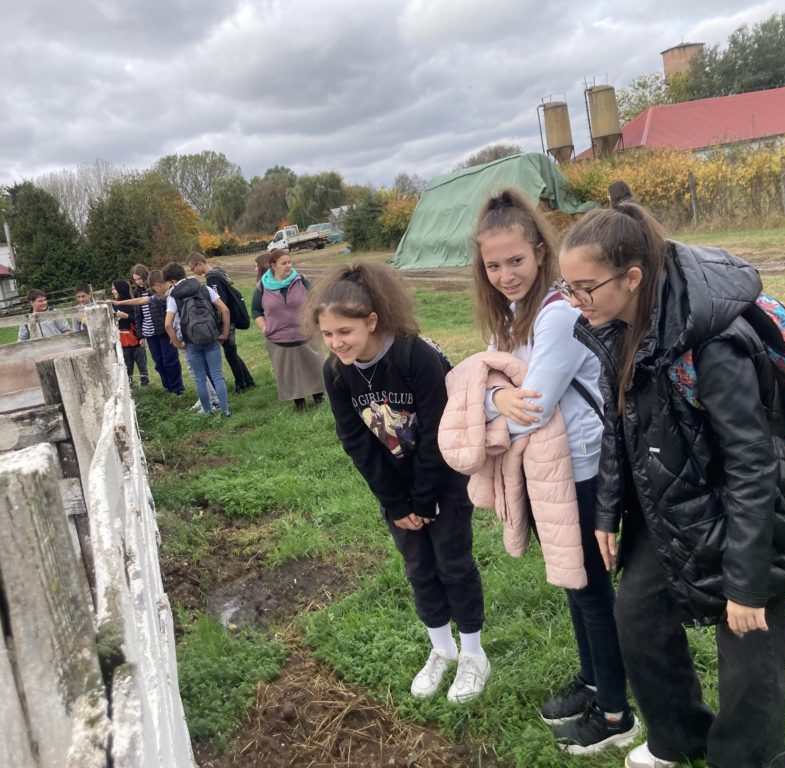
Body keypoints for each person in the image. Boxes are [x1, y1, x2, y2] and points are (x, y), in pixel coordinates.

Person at [557, 202, 785, 768]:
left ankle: (748, 758)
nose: (574, 301)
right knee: (636, 620)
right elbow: (620, 423)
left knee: (749, 651)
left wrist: (747, 582)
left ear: (631, 278)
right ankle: (678, 738)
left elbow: (752, 466)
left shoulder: (716, 342)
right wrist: (608, 510)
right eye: (568, 286)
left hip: (750, 516)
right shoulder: (619, 326)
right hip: (674, 505)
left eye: (585, 287)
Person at [467, 188, 637, 754]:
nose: (505, 274)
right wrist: (494, 401)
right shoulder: (514, 315)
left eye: (515, 260)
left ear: (540, 251)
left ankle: (616, 715)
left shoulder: (559, 315)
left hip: (581, 470)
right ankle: (593, 682)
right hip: (548, 472)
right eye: (493, 265)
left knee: (590, 590)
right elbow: (486, 378)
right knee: (573, 582)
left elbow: (530, 406)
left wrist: (494, 405)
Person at [310, 262, 489, 703]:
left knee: (452, 563)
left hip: (444, 480)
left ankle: (473, 655)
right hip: (398, 490)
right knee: (418, 568)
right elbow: (356, 439)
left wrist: (425, 500)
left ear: (372, 321)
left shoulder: (415, 356)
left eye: (345, 332)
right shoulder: (338, 373)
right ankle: (441, 651)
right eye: (328, 334)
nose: (337, 343)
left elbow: (436, 433)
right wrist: (395, 503)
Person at [252, 249, 325, 412]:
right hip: (279, 339)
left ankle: (319, 398)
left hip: (306, 335)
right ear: (273, 265)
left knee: (313, 366)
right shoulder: (262, 286)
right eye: (284, 263)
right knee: (289, 373)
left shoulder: (302, 281)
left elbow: (317, 301)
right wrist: (264, 327)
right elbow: (256, 310)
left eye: (289, 262)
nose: (288, 266)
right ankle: (299, 403)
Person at [163, 261, 232, 417]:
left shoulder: (173, 297)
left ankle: (207, 411)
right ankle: (225, 410)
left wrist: (178, 343)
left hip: (191, 342)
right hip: (211, 337)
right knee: (217, 375)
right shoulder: (204, 288)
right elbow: (225, 310)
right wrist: (225, 333)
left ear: (172, 281)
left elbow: (168, 324)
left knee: (200, 379)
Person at [186, 252, 256, 393]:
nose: (193, 272)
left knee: (230, 353)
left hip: (226, 320)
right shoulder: (218, 271)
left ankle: (241, 385)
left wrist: (220, 324)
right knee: (232, 352)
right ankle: (248, 381)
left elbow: (220, 301)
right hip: (231, 317)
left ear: (200, 263)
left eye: (193, 268)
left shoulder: (212, 278)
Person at [113, 269, 185, 395]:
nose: (138, 282)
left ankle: (177, 389)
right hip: (149, 333)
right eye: (135, 280)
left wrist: (171, 331)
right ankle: (168, 388)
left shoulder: (160, 293)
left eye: (140, 278)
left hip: (164, 331)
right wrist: (140, 334)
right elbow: (138, 313)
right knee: (159, 363)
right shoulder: (137, 292)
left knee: (170, 361)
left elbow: (167, 311)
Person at [111, 279, 149, 386]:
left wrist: (126, 316)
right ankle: (130, 388)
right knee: (127, 367)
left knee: (142, 366)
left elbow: (139, 320)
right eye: (112, 289)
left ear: (121, 289)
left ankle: (146, 386)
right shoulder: (113, 306)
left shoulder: (133, 303)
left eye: (115, 289)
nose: (113, 291)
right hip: (123, 342)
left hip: (136, 341)